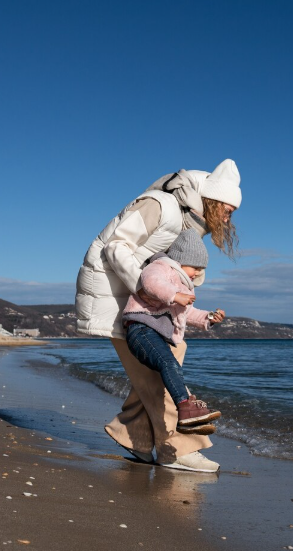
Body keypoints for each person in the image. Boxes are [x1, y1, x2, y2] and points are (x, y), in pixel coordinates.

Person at [75, 159, 241, 473]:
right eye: (227, 209)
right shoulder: (160, 205)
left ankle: (133, 438)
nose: (229, 217)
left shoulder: (189, 222)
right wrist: (152, 289)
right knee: (156, 371)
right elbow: (116, 247)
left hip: (145, 301)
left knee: (172, 355)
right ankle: (177, 449)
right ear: (212, 200)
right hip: (115, 293)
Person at [122, 229, 226, 434]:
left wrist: (209, 318)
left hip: (154, 334)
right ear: (180, 260)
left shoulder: (185, 285)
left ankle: (186, 415)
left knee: (169, 368)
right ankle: (185, 408)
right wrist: (175, 295)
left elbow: (187, 313)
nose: (197, 273)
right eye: (195, 267)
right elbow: (151, 283)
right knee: (168, 363)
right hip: (141, 328)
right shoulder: (161, 267)